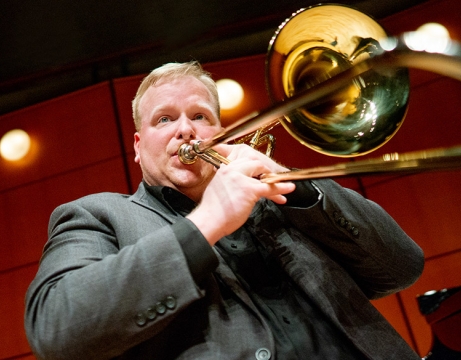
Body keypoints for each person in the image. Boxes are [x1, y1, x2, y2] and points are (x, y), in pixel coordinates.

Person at [24, 61, 424, 360]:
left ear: (220, 133)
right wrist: (207, 222)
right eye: (164, 119)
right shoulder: (97, 215)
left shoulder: (283, 200)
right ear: (138, 146)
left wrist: (295, 185)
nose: (185, 129)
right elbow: (56, 328)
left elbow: (402, 266)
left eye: (200, 116)